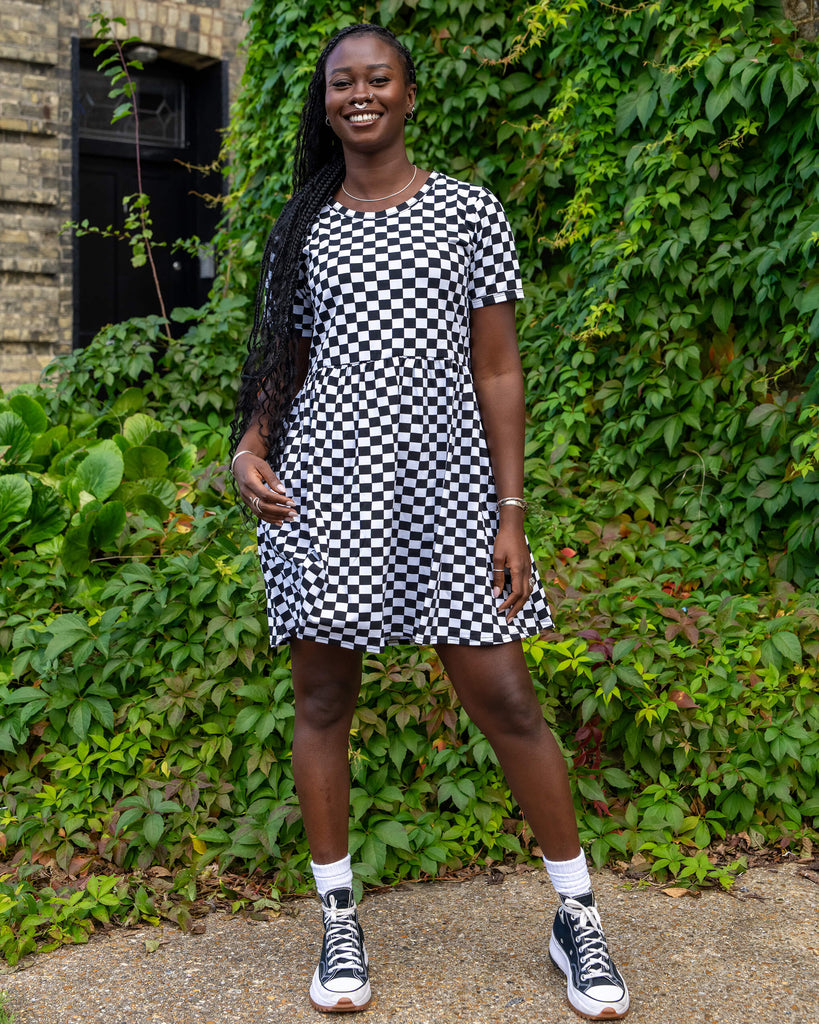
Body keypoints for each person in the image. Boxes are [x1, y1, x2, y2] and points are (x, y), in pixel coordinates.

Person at [229, 22, 629, 1020]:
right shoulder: (305, 223)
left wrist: (511, 510)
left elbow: (497, 367)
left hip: (450, 488)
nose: (358, 95)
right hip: (323, 490)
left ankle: (576, 915)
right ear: (325, 105)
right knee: (322, 702)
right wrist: (249, 449)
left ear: (410, 95)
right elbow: (282, 359)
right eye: (341, 84)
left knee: (508, 697)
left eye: (379, 79)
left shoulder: (467, 212)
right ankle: (338, 922)